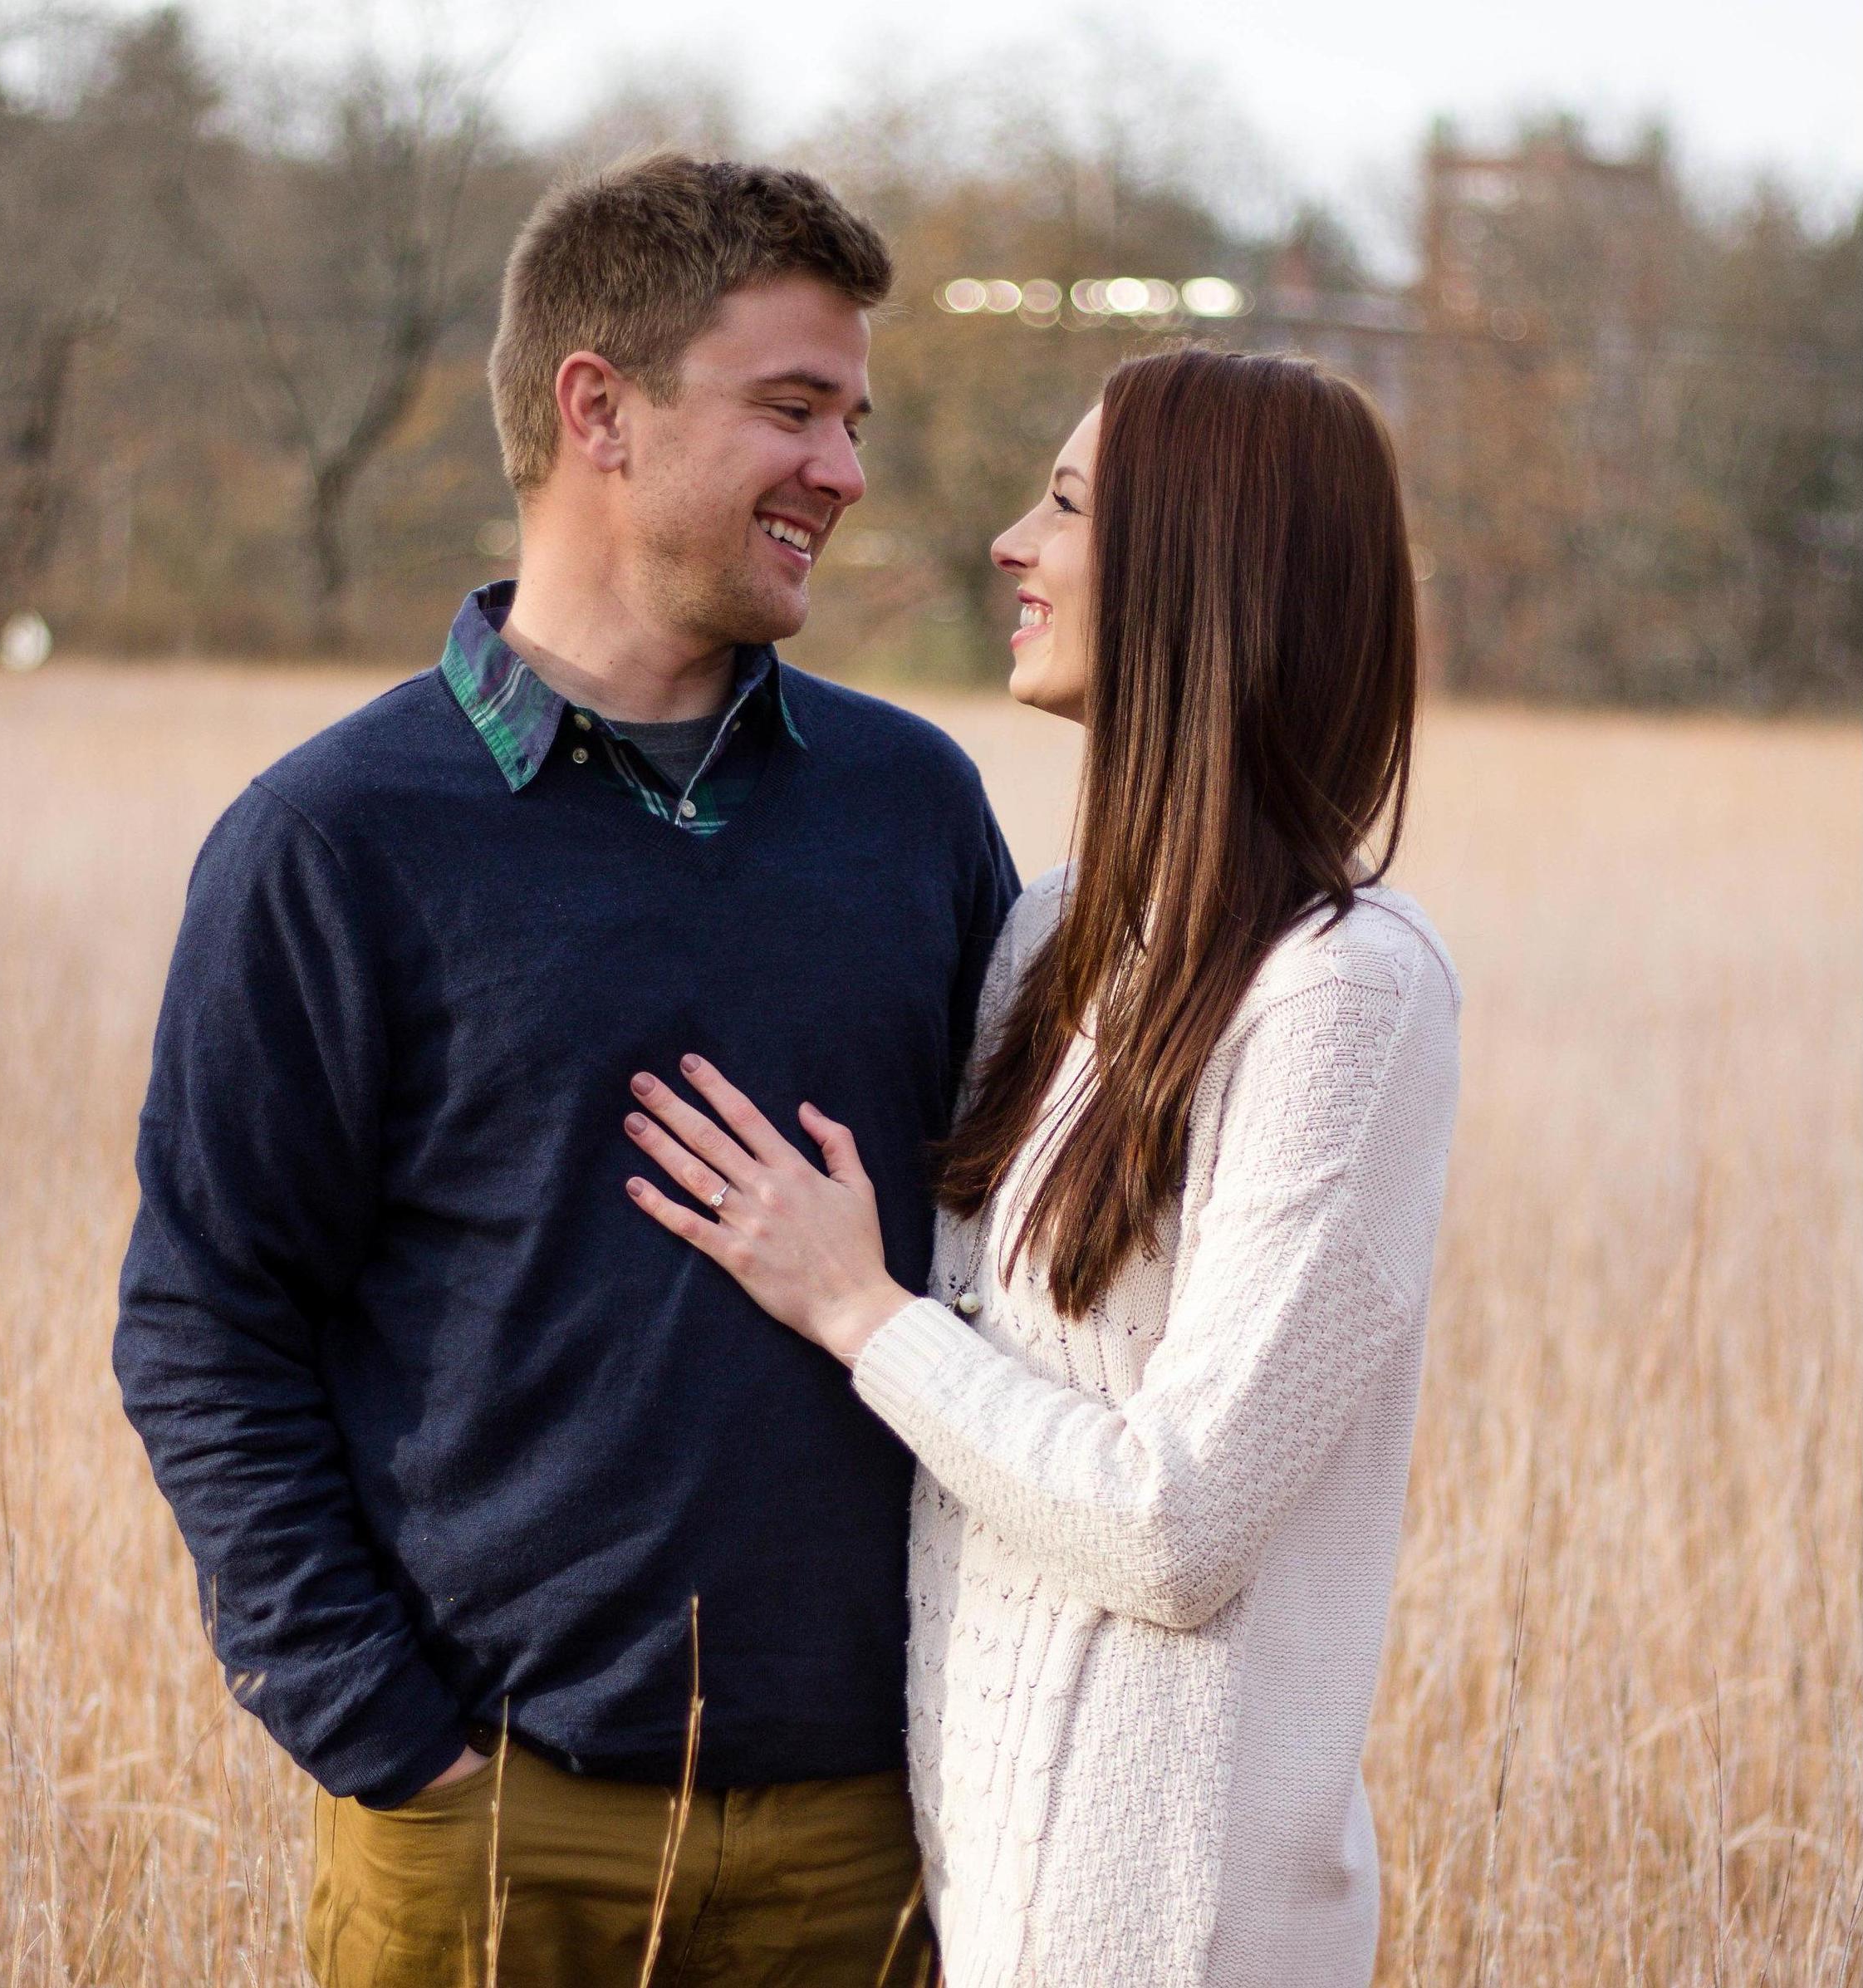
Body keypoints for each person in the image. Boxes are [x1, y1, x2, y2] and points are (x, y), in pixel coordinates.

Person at [113, 154, 1017, 1988]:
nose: (844, 471)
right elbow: (206, 1322)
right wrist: (395, 1748)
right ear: (598, 409)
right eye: (794, 408)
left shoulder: (912, 808)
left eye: (851, 421)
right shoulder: (335, 839)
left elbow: (1028, 1239)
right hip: (491, 1836)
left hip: (869, 1831)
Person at [622, 346, 1463, 1987]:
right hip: (984, 1894)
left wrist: (859, 1310)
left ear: (1206, 568)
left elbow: (1175, 1528)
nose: (1012, 541)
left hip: (1175, 1928)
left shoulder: (1344, 992)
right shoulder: (1057, 936)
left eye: (1068, 504)